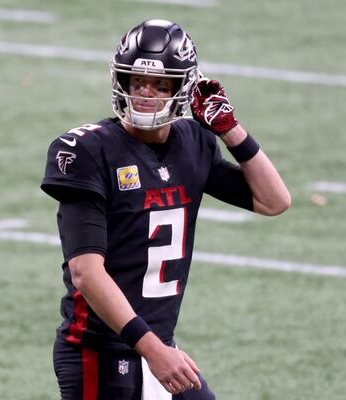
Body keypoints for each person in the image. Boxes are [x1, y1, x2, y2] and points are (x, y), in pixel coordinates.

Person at [41, 19, 290, 400]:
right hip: (100, 352)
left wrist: (231, 130)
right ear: (120, 81)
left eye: (161, 85)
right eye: (137, 81)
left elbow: (274, 201)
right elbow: (86, 272)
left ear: (183, 89)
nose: (146, 93)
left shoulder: (193, 142)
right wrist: (154, 350)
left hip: (160, 347)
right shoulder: (87, 151)